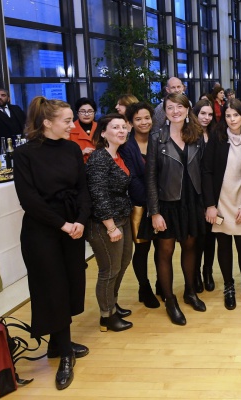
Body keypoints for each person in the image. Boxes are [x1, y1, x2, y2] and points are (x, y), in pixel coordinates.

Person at [13, 96, 91, 390]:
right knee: (52, 287)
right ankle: (66, 351)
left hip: (73, 225)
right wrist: (62, 224)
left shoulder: (71, 148)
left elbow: (83, 188)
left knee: (71, 282)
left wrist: (81, 220)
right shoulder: (25, 154)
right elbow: (29, 200)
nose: (73, 125)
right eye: (67, 120)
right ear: (47, 123)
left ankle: (60, 344)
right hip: (43, 230)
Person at [146, 93, 207, 326]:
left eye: (179, 107)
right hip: (167, 203)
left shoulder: (197, 134)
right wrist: (154, 212)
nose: (175, 111)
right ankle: (170, 300)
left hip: (192, 201)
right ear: (164, 111)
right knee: (165, 251)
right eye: (170, 108)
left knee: (191, 246)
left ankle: (190, 291)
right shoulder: (156, 137)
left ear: (187, 109)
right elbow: (150, 177)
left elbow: (203, 170)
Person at [203, 99, 241, 310]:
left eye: (236, 115)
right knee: (223, 245)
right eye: (228, 115)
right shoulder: (217, 138)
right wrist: (210, 204)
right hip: (220, 201)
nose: (232, 119)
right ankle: (228, 285)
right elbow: (206, 172)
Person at [86, 113, 134, 332]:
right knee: (109, 269)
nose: (121, 131)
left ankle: (112, 303)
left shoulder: (119, 155)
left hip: (122, 218)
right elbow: (98, 194)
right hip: (105, 224)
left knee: (123, 263)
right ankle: (106, 317)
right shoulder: (99, 158)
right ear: (103, 132)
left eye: (124, 127)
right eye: (115, 127)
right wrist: (111, 226)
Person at [119, 102, 160, 309]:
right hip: (139, 206)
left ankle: (162, 283)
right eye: (138, 119)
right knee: (142, 249)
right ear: (130, 123)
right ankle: (144, 288)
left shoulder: (159, 140)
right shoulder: (126, 147)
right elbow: (131, 178)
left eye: (146, 118)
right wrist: (150, 199)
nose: (144, 122)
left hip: (162, 205)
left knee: (163, 248)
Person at [192, 99, 217, 293]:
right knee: (198, 238)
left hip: (213, 193)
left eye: (210, 114)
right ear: (195, 114)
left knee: (211, 238)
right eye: (203, 114)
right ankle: (196, 274)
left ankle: (207, 271)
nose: (206, 118)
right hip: (194, 194)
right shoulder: (190, 135)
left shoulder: (216, 134)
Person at [69, 97, 97, 163]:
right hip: (78, 167)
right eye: (83, 111)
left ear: (94, 112)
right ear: (77, 113)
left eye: (90, 111)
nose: (86, 114)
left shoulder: (101, 128)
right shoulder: (69, 129)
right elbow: (65, 155)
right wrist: (81, 152)